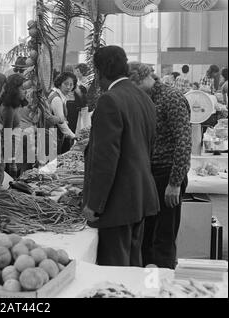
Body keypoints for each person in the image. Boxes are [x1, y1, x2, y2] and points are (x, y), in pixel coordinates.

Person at [82, 46, 159, 267]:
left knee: (115, 271)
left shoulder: (110, 100)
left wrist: (94, 203)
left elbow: (105, 159)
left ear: (99, 72)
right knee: (133, 265)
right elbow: (147, 147)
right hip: (140, 196)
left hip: (117, 202)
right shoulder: (143, 97)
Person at [129, 62, 192, 269]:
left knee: (163, 238)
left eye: (133, 85)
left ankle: (163, 286)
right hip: (150, 175)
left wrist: (174, 183)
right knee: (147, 237)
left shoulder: (171, 98)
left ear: (143, 79)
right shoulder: (145, 98)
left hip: (167, 175)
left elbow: (183, 142)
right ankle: (148, 285)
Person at [0, 73, 26, 178]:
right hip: (10, 153)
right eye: (22, 89)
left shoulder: (15, 106)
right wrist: (12, 162)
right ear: (15, 90)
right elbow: (7, 136)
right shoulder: (8, 108)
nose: (25, 92)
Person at [48, 72, 78, 154]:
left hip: (51, 134)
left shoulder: (59, 95)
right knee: (51, 163)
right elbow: (61, 123)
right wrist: (73, 136)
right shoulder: (57, 98)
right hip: (51, 135)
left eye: (71, 85)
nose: (68, 87)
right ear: (60, 84)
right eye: (66, 84)